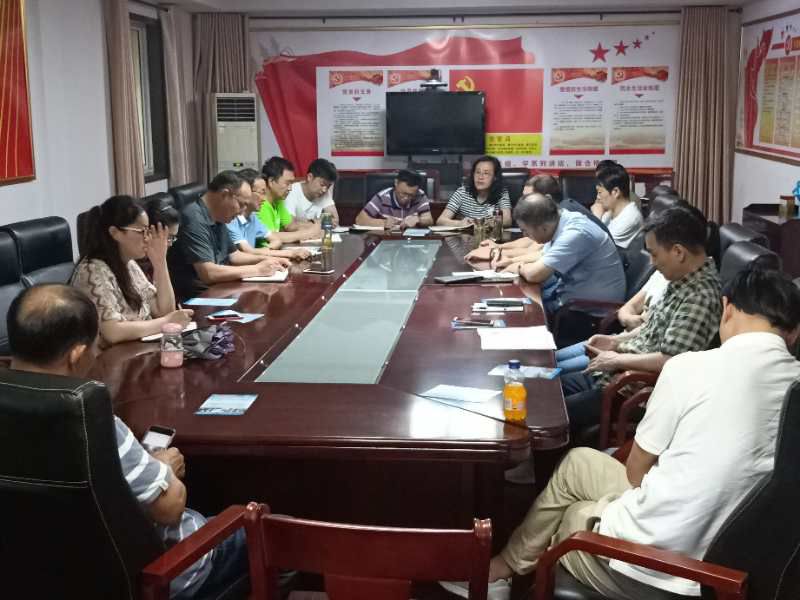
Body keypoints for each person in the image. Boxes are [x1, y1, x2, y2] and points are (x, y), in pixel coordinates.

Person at [479, 267, 800, 600]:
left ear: (727, 308)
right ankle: (503, 568)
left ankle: (500, 578)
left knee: (573, 516)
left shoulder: (691, 368)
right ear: (793, 333)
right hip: (734, 554)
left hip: (667, 571)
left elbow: (636, 473)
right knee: (578, 463)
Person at [5, 284, 250, 598]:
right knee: (272, 532)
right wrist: (163, 467)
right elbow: (170, 507)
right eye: (95, 347)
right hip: (163, 576)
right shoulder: (87, 420)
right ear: (76, 355)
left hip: (37, 577)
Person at [560, 205, 721, 435]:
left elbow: (671, 360)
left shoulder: (700, 297)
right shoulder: (682, 279)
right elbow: (653, 326)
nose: (652, 263)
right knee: (547, 389)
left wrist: (616, 359)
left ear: (678, 252)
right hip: (614, 374)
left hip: (630, 392)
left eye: (654, 254)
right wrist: (616, 341)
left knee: (553, 416)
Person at [70, 195, 193, 346]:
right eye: (142, 231)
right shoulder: (92, 271)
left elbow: (164, 311)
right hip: (112, 357)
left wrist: (160, 262)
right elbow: (113, 332)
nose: (147, 238)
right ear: (115, 233)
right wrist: (165, 322)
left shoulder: (130, 264)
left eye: (148, 231)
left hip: (138, 350)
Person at [168, 170, 290, 301]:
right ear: (225, 195)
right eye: (241, 204)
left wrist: (269, 260)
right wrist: (258, 269)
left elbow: (234, 255)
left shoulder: (219, 215)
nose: (242, 212)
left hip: (221, 289)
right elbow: (208, 273)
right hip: (198, 298)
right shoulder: (193, 218)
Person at [508, 193, 625, 318]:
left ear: (543, 228)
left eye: (525, 230)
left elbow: (535, 274)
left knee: (523, 314)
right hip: (573, 302)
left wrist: (519, 268)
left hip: (591, 313)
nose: (525, 235)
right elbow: (544, 256)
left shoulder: (576, 233)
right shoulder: (562, 220)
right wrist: (509, 261)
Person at [228, 168, 311, 262]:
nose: (264, 199)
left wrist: (266, 251)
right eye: (262, 192)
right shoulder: (231, 219)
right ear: (247, 192)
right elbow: (248, 251)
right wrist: (290, 253)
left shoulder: (253, 217)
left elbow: (276, 240)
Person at [257, 156, 321, 244]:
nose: (290, 188)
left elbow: (290, 225)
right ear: (271, 181)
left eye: (291, 183)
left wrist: (314, 227)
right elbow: (272, 236)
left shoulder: (278, 200)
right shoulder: (260, 204)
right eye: (287, 183)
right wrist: (308, 233)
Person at [437, 156, 512, 227]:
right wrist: (460, 223)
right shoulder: (462, 192)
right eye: (477, 172)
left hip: (490, 236)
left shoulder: (501, 193)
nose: (480, 177)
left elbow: (507, 220)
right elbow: (440, 221)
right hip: (466, 235)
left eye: (486, 173)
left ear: (495, 177)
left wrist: (481, 223)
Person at [355, 169, 433, 229]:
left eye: (411, 195)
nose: (406, 198)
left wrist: (419, 220)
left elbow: (429, 220)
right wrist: (384, 223)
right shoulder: (382, 197)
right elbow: (360, 220)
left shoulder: (420, 195)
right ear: (396, 183)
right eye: (403, 193)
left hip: (412, 241)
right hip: (387, 239)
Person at [591, 164, 643, 248]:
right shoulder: (609, 213)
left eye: (600, 192)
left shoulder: (630, 218)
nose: (598, 197)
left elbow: (599, 247)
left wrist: (596, 218)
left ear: (615, 192)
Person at [283, 158, 340, 225]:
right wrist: (317, 222)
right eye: (322, 184)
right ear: (310, 177)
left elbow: (335, 219)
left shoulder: (324, 192)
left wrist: (310, 223)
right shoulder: (291, 191)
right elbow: (289, 224)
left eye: (328, 186)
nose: (324, 190)